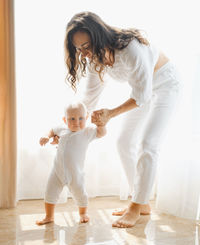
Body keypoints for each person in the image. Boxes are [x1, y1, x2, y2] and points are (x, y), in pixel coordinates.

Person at [64, 11, 180, 228]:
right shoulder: (95, 59)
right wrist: (69, 126)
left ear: (99, 36)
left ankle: (136, 207)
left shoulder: (131, 49)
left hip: (165, 87)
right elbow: (88, 99)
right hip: (141, 93)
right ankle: (141, 201)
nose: (84, 53)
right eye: (78, 49)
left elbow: (142, 97)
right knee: (123, 142)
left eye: (87, 46)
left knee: (148, 144)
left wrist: (109, 114)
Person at [36, 101, 106, 225]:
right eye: (72, 119)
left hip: (75, 173)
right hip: (57, 171)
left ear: (87, 118)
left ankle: (83, 213)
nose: (76, 122)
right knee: (50, 193)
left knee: (80, 194)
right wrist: (46, 136)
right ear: (65, 119)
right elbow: (52, 130)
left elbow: (101, 133)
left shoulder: (87, 132)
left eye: (81, 118)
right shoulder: (62, 129)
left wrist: (101, 125)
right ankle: (49, 216)